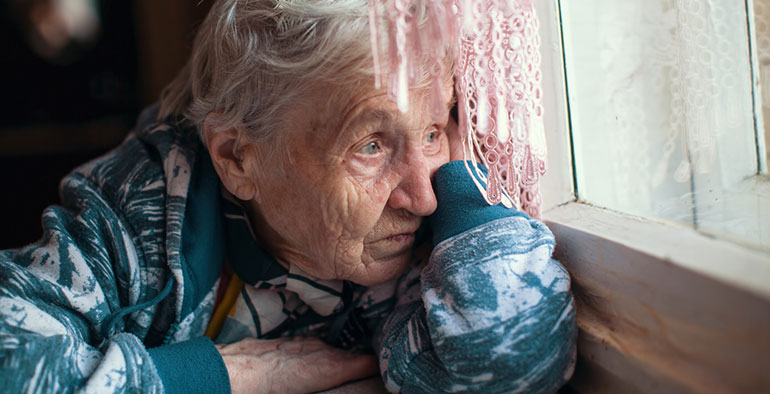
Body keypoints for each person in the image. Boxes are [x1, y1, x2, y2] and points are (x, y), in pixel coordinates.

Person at [0, 0, 577, 393]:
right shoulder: (138, 210)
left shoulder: (419, 238)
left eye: (432, 132)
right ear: (237, 157)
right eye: (371, 145)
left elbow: (506, 364)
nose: (423, 197)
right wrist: (218, 376)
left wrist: (472, 196)